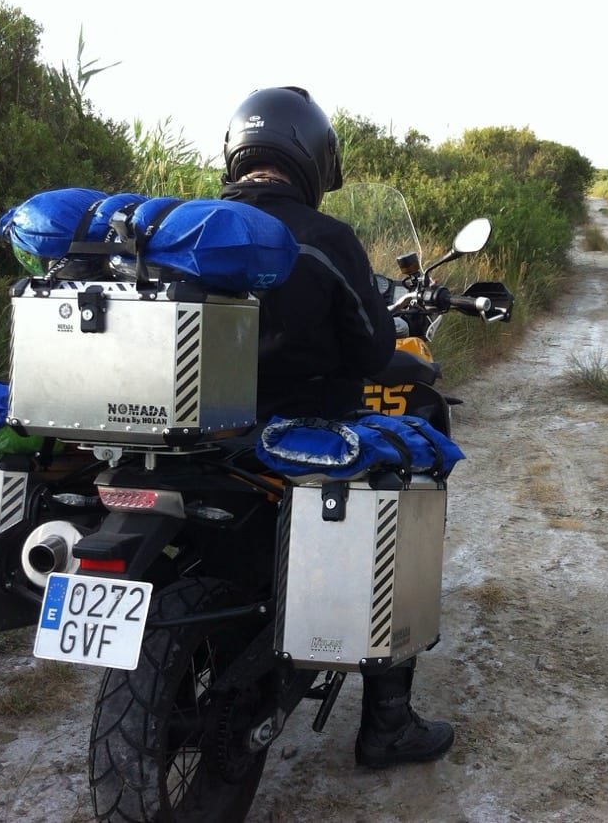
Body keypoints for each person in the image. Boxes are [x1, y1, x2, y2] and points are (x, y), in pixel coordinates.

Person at [219, 85, 455, 769]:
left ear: (235, 151)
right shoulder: (324, 237)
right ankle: (388, 724)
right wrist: (415, 371)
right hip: (302, 432)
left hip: (204, 437)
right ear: (314, 158)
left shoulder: (190, 225)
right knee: (403, 481)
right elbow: (367, 346)